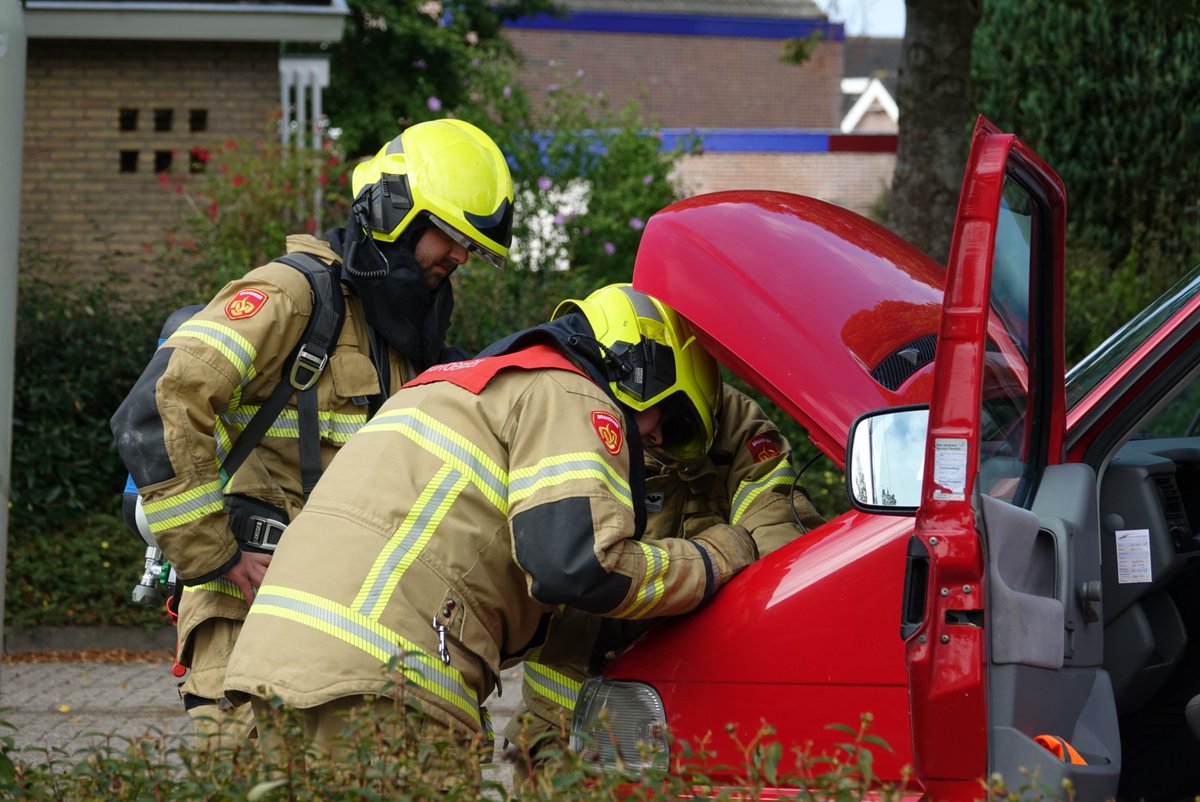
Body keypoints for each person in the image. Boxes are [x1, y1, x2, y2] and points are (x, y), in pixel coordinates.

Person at [222, 283, 760, 761]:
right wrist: (718, 556)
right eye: (669, 415)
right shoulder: (570, 393)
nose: (659, 438)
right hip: (379, 687)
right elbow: (576, 566)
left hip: (264, 670)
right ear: (640, 368)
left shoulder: (448, 387)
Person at [110, 118, 515, 748]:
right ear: (395, 214)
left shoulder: (403, 335)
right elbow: (161, 403)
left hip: (352, 624)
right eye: (450, 236)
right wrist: (217, 555)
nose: (460, 258)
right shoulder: (292, 296)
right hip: (250, 616)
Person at [506, 382, 826, 764]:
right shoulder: (575, 413)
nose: (658, 436)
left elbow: (776, 528)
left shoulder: (735, 421)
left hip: (690, 699)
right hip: (567, 701)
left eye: (676, 423)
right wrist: (720, 554)